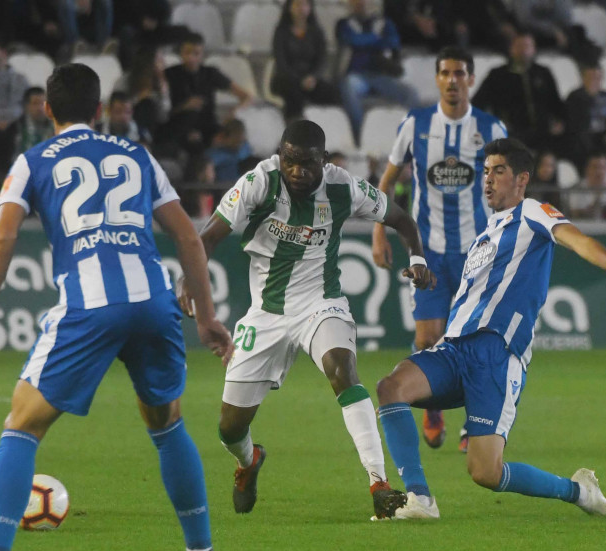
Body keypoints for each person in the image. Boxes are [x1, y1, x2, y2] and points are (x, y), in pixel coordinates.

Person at [0, 63, 234, 551]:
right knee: (167, 424)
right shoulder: (137, 155)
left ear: (47, 109)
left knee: (21, 425)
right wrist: (207, 316)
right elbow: (189, 237)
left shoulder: (31, 161)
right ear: (98, 111)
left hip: (90, 305)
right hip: (152, 300)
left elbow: (2, 240)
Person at [374, 137, 606, 519]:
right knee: (391, 387)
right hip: (455, 349)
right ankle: (419, 498)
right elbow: (474, 296)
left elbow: (575, 238)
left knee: (485, 472)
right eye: (485, 172)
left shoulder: (532, 212)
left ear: (521, 179)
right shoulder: (485, 236)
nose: (488, 180)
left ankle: (578, 491)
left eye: (498, 171)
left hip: (496, 357)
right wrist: (430, 281)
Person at [179, 119, 436, 519]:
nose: (298, 172)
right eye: (290, 162)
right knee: (229, 429)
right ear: (280, 156)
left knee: (343, 369)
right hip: (266, 313)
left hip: (321, 302)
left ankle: (378, 483)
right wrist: (189, 280)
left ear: (324, 160)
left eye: (307, 164)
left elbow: (402, 219)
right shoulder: (258, 183)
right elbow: (208, 237)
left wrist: (417, 257)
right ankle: (249, 462)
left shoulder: (342, 187)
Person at [371, 46, 507, 453]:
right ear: (436, 79)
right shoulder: (416, 124)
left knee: (473, 338)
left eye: (459, 73)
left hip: (477, 252)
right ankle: (433, 409)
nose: (452, 80)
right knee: (429, 336)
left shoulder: (489, 126)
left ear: (471, 79)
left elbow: (505, 185)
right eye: (445, 73)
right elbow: (390, 179)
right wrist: (380, 233)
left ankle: (474, 423)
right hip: (426, 250)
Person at [336, 0, 419, 142]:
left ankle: (410, 137)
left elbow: (393, 42)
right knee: (348, 86)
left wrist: (365, 42)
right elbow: (352, 40)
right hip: (357, 75)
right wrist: (377, 39)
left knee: (410, 93)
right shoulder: (344, 24)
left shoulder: (385, 22)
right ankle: (360, 136)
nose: (361, 3)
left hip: (382, 76)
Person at [471, 32, 565, 154]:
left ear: (534, 49)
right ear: (511, 49)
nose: (523, 51)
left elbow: (555, 102)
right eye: (519, 46)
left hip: (543, 133)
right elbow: (478, 103)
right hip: (511, 134)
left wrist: (560, 122)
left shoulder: (543, 73)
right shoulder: (498, 75)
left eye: (527, 46)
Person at [161, 32, 254, 155]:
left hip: (208, 126)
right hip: (180, 126)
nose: (191, 58)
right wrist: (185, 106)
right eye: (187, 52)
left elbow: (245, 96)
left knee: (238, 138)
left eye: (196, 53)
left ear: (202, 55)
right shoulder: (171, 74)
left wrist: (234, 112)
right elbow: (164, 113)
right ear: (181, 53)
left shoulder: (210, 73)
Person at [270, 0, 339, 121]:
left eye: (305, 4)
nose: (301, 8)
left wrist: (313, 77)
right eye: (297, 5)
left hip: (310, 79)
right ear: (289, 8)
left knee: (332, 92)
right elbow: (281, 63)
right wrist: (299, 80)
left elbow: (322, 60)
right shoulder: (281, 32)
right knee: (294, 92)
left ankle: (326, 126)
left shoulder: (317, 32)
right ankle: (294, 128)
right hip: (286, 78)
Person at [565, 63, 606, 170]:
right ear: (583, 78)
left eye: (597, 78)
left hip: (604, 136)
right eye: (590, 77)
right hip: (583, 137)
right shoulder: (574, 97)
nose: (594, 81)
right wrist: (589, 98)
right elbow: (572, 122)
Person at [5, 87, 55, 161]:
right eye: (35, 103)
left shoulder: (56, 126)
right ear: (26, 106)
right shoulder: (15, 128)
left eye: (43, 103)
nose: (40, 108)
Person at [208, 119, 254, 183]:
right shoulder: (214, 154)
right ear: (226, 136)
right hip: (223, 188)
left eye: (241, 136)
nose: (238, 140)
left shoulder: (245, 148)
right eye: (235, 137)